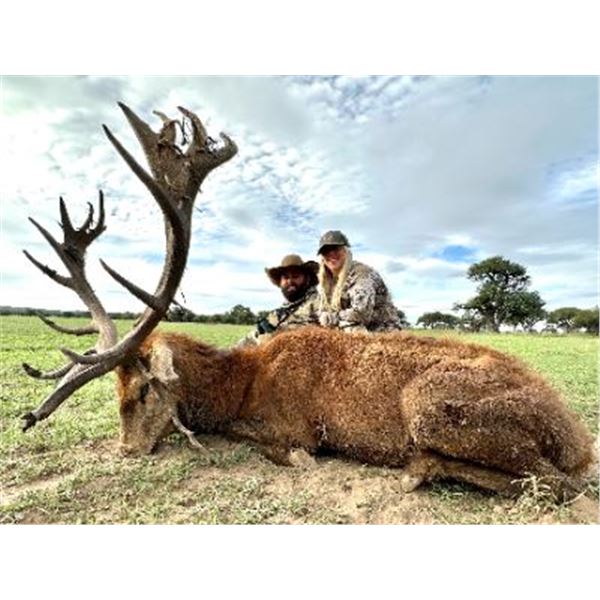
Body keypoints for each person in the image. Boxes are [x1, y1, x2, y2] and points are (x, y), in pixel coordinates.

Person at [317, 230, 402, 332]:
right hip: (351, 326)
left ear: (345, 251)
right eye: (326, 251)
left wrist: (332, 317)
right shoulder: (327, 282)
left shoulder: (362, 274)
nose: (331, 254)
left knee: (348, 327)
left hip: (381, 329)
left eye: (336, 249)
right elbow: (322, 311)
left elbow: (361, 314)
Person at [237, 254, 320, 346]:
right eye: (286, 277)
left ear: (307, 279)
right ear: (280, 282)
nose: (290, 281)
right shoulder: (276, 315)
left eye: (295, 276)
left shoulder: (320, 304)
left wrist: (274, 338)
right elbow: (250, 340)